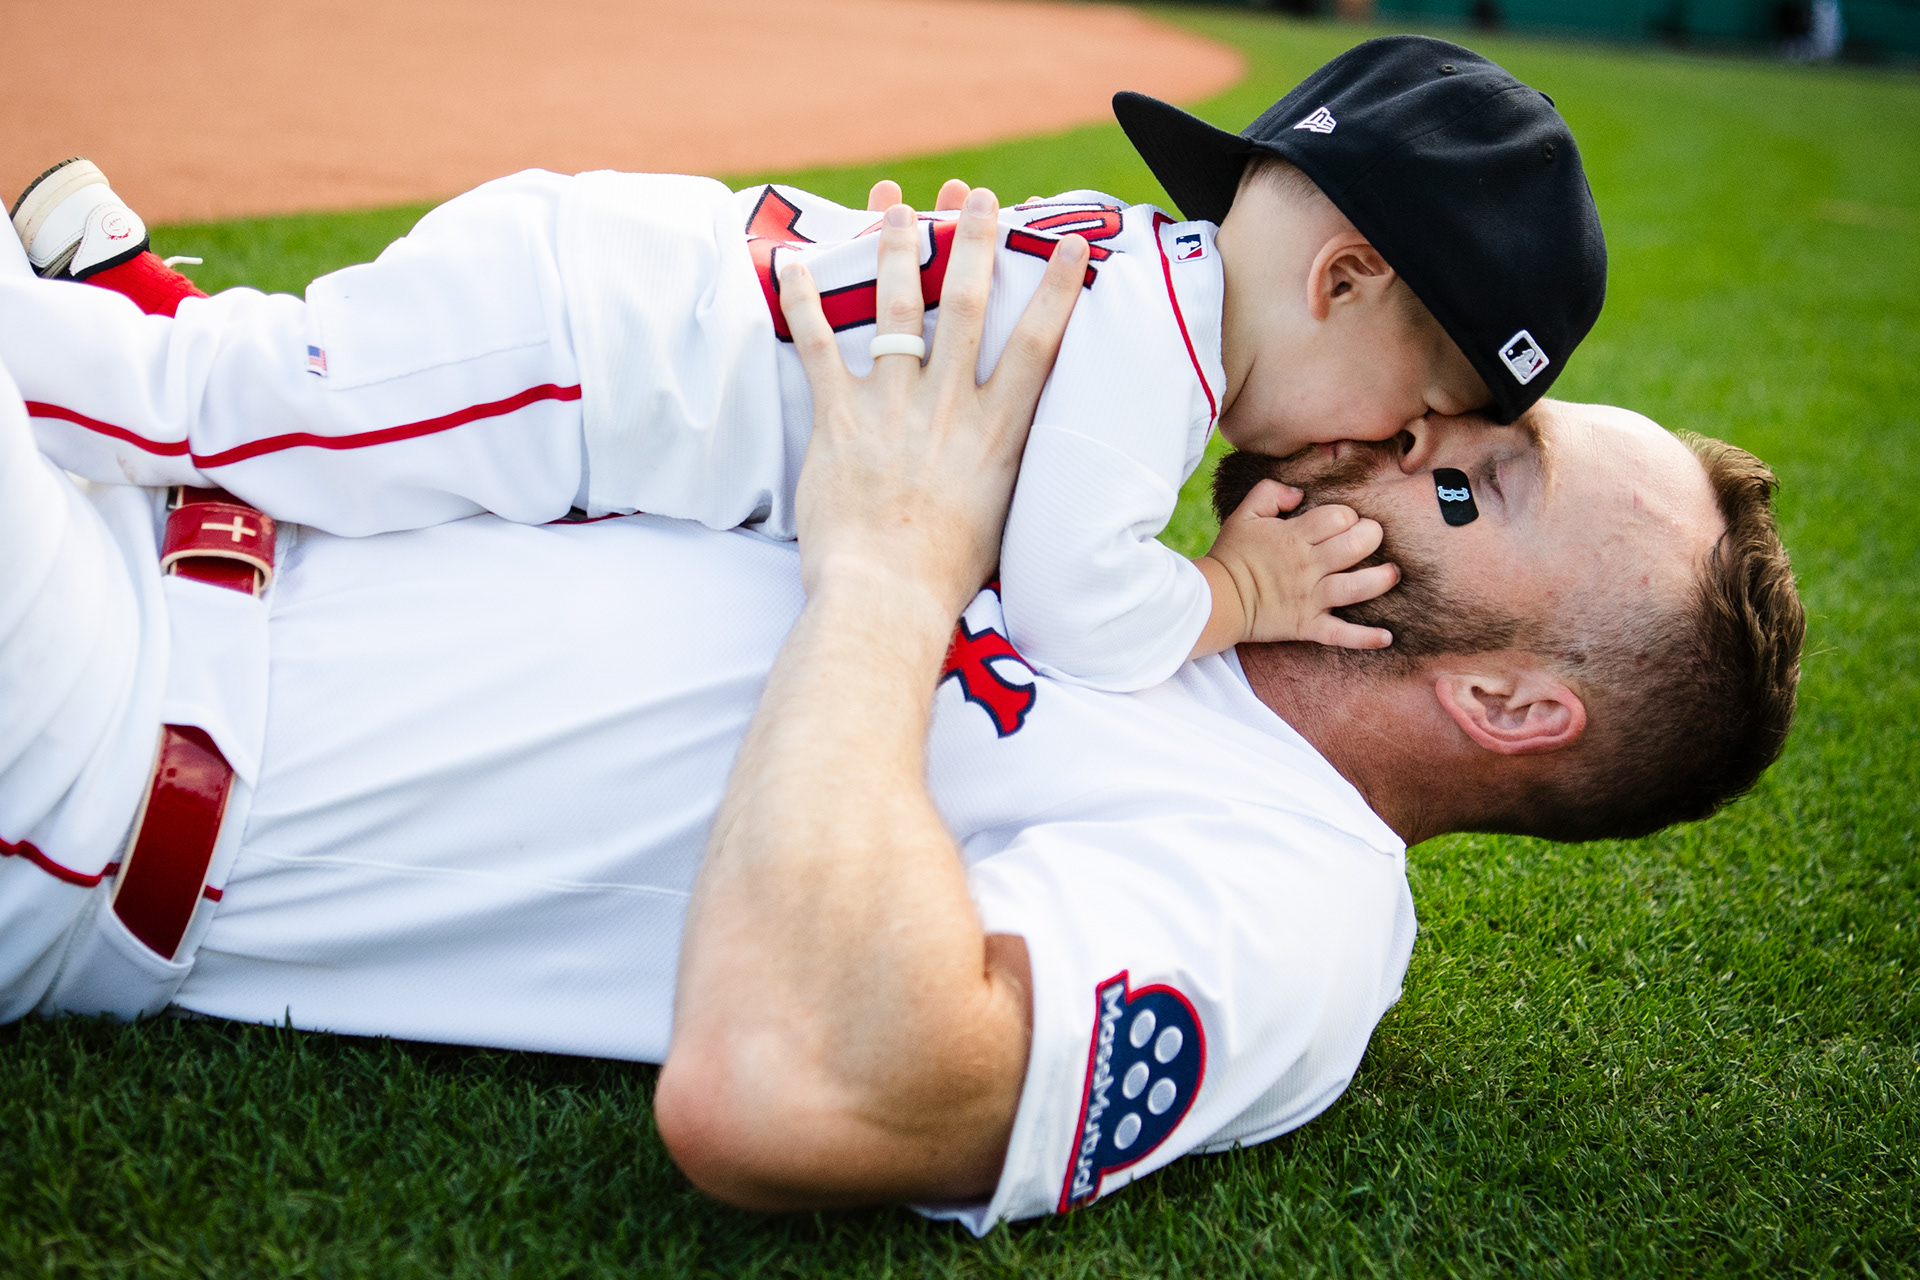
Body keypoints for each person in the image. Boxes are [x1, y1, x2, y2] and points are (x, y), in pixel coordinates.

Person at [0, 188, 1802, 1229]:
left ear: (1505, 701)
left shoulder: (1298, 899)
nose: (1387, 443)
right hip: (146, 501)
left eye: (1465, 487)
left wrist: (892, 569)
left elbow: (797, 1091)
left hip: (104, 736)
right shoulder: (1133, 574)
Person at [1, 35, 1607, 693]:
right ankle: (57, 345)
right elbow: (1074, 612)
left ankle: (114, 286)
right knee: (242, 421)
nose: (1380, 451)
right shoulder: (1151, 362)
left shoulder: (1142, 263)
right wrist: (1238, 598)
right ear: (1342, 280)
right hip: (593, 361)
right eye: (1416, 410)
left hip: (612, 307)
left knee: (288, 401)